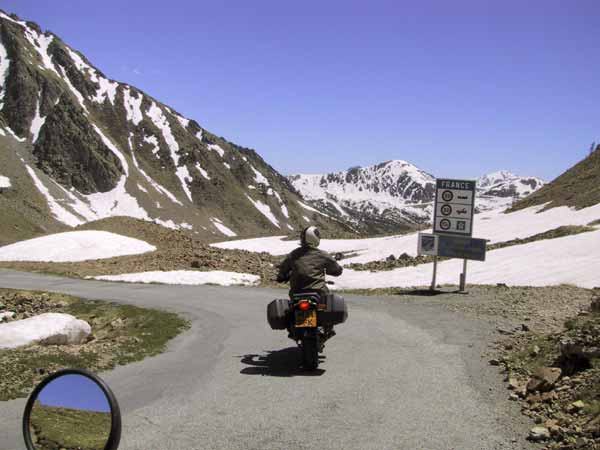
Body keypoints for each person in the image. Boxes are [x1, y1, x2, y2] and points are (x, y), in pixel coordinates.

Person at [276, 226, 343, 342]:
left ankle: (292, 328)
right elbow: (337, 271)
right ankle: (328, 328)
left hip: (297, 293)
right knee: (327, 304)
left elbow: (283, 270)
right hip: (318, 292)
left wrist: (281, 277)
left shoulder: (293, 255)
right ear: (316, 238)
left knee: (291, 308)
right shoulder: (322, 255)